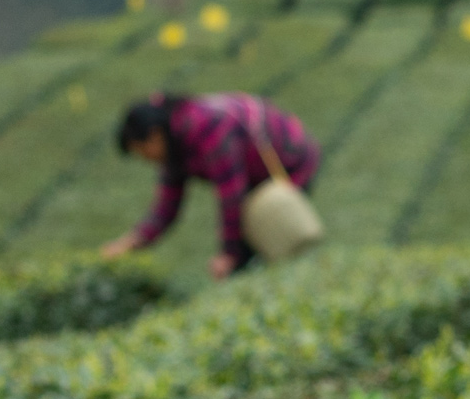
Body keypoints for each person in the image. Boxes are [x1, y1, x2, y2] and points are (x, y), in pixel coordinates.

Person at [100, 93, 320, 279]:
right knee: (250, 257)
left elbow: (232, 194)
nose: (145, 158)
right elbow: (166, 207)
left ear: (154, 136)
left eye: (142, 150)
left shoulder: (206, 128)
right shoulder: (175, 145)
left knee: (277, 243)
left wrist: (229, 254)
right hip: (257, 180)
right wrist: (129, 243)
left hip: (291, 162)